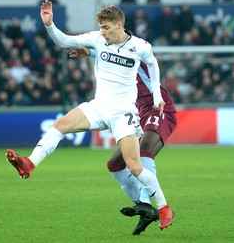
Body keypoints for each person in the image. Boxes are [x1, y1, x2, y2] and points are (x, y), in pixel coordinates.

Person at [6, 0, 173, 231]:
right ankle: (30, 163)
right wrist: (49, 24)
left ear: (119, 24)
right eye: (101, 27)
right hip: (99, 106)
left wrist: (156, 95)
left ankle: (163, 207)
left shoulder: (139, 46)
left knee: (134, 166)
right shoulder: (96, 39)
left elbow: (153, 64)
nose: (102, 32)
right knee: (60, 124)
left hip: (123, 112)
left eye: (106, 27)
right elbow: (64, 40)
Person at [68, 47, 177, 235]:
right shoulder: (113, 72)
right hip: (136, 116)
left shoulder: (132, 55)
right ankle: (145, 209)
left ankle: (145, 202)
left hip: (158, 110)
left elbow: (117, 56)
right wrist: (89, 52)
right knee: (115, 164)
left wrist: (91, 51)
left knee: (144, 152)